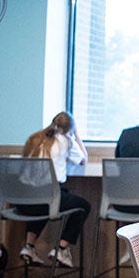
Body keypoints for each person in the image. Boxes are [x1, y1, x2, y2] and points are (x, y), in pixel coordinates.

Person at [17, 111, 90, 269]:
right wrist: (76, 135)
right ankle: (61, 249)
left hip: (23, 201)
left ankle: (29, 247)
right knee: (83, 206)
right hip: (46, 201)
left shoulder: (34, 138)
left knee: (46, 200)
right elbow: (84, 160)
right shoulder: (65, 140)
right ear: (69, 129)